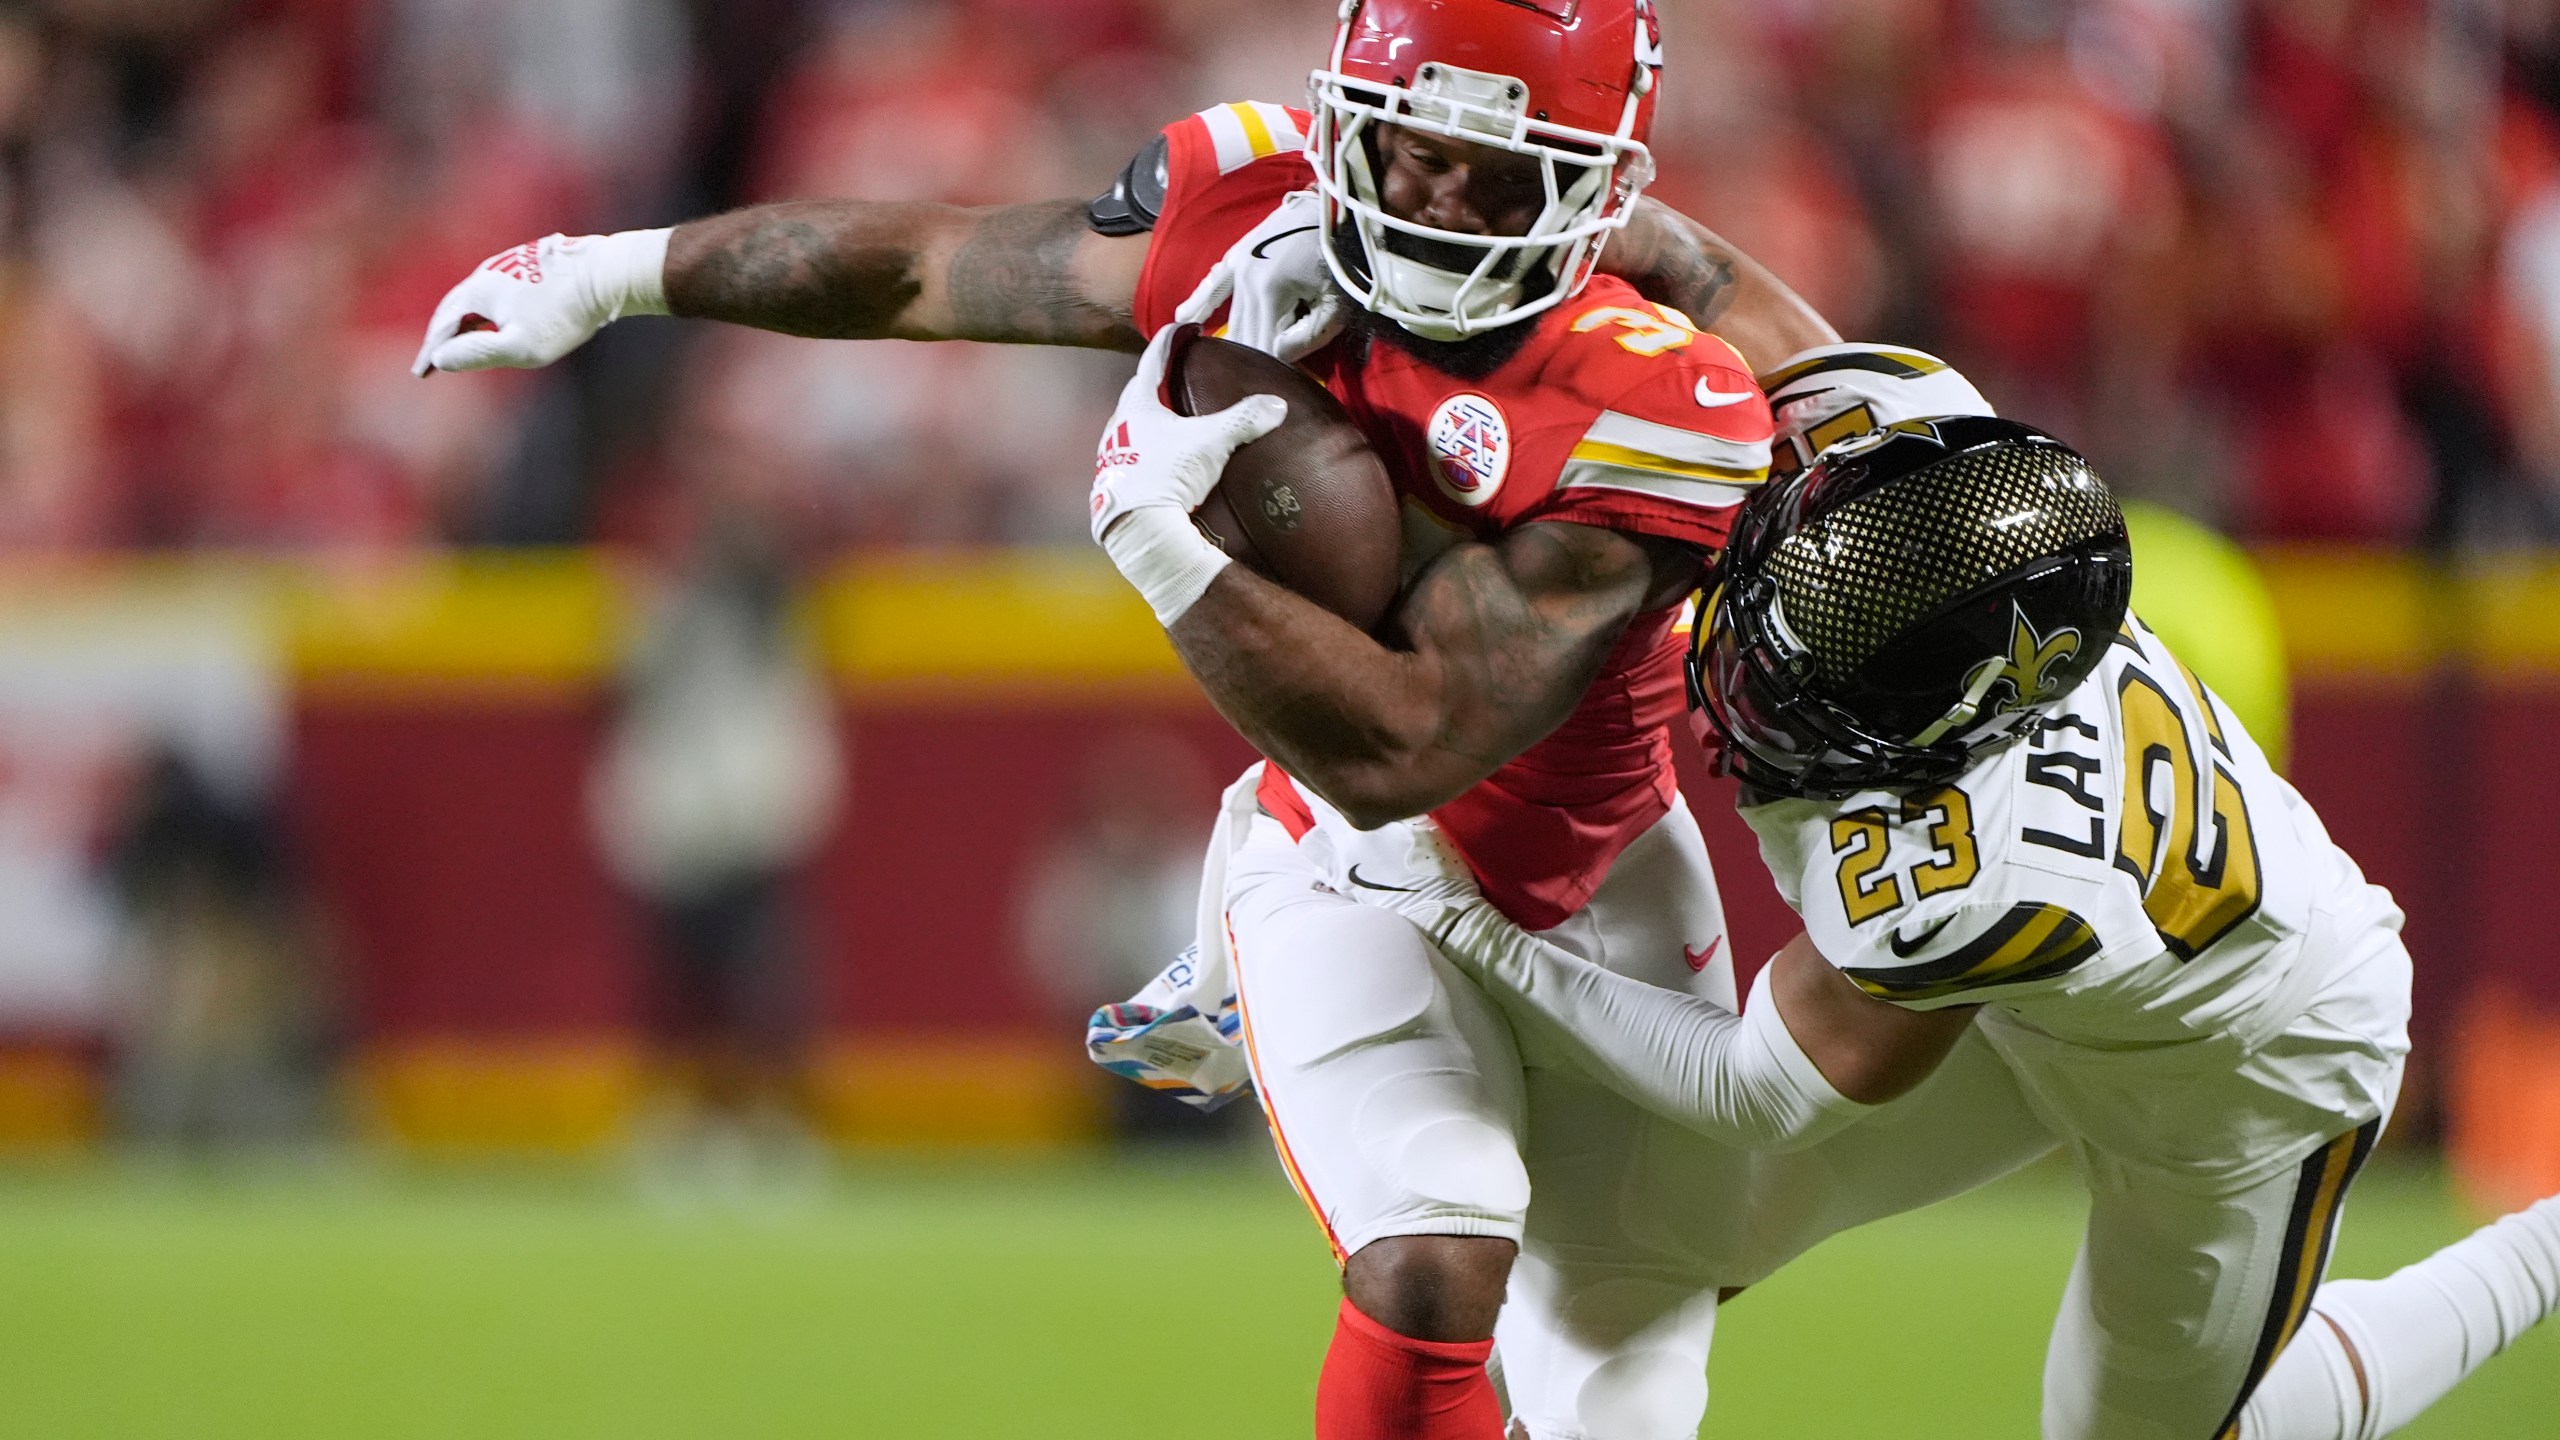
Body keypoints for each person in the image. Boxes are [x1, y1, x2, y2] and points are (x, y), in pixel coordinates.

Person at [416, 4, 1845, 1436]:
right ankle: (1248, 908)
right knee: (1434, 1245)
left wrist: (1158, 536)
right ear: (1350, 119)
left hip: (1588, 872)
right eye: (1413, 153)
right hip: (1343, 862)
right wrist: (614, 270)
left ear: (1597, 191)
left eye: (1502, 174)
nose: (1443, 205)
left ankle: (1226, 931)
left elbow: (1410, 742)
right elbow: (926, 269)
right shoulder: (1252, 226)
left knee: (1625, 1399)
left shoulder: (1662, 399)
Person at [1339, 396, 2560, 1438]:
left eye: (1799, 687)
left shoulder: (1974, 874)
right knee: (1647, 1243)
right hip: (2055, 985)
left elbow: (1753, 1086)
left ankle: (2546, 1248)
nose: (1743, 685)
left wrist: (1474, 930)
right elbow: (1760, 318)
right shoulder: (1939, 497)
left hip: (2239, 1071)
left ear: (1928, 744)